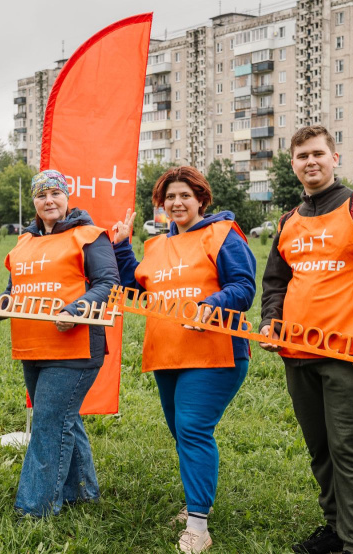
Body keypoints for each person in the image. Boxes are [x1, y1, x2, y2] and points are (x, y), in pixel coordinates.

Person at [259, 126, 353, 554]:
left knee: (349, 450)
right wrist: (271, 321)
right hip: (297, 355)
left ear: (335, 158)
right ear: (293, 164)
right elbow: (275, 283)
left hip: (349, 356)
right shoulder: (289, 220)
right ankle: (335, 529)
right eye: (302, 155)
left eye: (318, 154)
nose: (311, 162)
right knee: (321, 449)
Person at [112, 166, 256, 553]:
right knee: (183, 433)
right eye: (169, 197)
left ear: (201, 200)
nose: (177, 203)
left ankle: (198, 526)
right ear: (161, 204)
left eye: (184, 196)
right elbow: (134, 291)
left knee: (192, 429)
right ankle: (198, 500)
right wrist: (124, 246)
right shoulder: (156, 246)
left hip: (216, 353)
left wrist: (208, 307)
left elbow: (243, 286)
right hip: (167, 353)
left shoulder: (222, 234)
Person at [0, 169, 119, 517]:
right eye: (41, 195)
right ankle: (82, 493)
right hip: (32, 347)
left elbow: (108, 283)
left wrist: (75, 309)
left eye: (54, 193)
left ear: (67, 196)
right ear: (34, 202)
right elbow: (15, 294)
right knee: (63, 417)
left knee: (48, 423)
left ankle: (35, 508)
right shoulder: (25, 242)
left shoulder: (89, 235)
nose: (48, 200)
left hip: (76, 349)